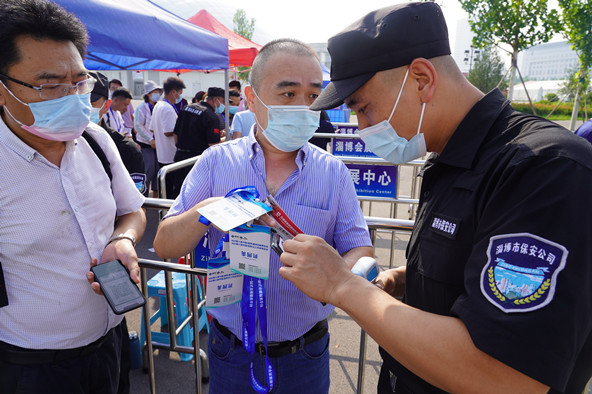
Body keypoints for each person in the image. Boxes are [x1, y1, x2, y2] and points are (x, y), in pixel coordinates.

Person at [278, 3, 592, 393]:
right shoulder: (450, 158)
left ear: (422, 79)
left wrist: (343, 285)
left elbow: (509, 376)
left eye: (363, 107)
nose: (361, 127)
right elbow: (474, 272)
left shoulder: (545, 169)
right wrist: (406, 281)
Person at [153, 38, 373, 393]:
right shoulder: (215, 163)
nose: (303, 107)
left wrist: (337, 278)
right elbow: (164, 244)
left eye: (313, 95)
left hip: (305, 354)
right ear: (252, 99)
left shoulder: (333, 172)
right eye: (288, 94)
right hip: (231, 353)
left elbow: (360, 249)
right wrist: (211, 210)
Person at [0, 1, 146, 394]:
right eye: (50, 85)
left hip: (111, 341)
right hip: (32, 367)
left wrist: (123, 239)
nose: (72, 97)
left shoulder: (97, 140)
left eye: (80, 83)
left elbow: (133, 210)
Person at [90, 71, 146, 195]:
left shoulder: (127, 150)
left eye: (90, 103)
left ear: (106, 106)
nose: (82, 108)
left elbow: (137, 205)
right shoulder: (56, 144)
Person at [171, 86, 225, 194]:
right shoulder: (211, 116)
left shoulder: (186, 108)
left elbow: (175, 134)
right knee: (194, 193)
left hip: (179, 157)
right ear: (215, 100)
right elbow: (213, 144)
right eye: (222, 102)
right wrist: (226, 139)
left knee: (178, 191)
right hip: (196, 160)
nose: (223, 105)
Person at [150, 76, 185, 198]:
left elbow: (152, 128)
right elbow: (168, 131)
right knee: (172, 192)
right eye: (179, 93)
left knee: (165, 190)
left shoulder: (158, 105)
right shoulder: (167, 108)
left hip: (162, 155)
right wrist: (182, 130)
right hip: (170, 155)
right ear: (173, 92)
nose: (180, 97)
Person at [135, 80, 162, 197]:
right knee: (148, 170)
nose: (157, 94)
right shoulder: (142, 107)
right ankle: (143, 197)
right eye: (154, 92)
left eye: (158, 92)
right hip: (146, 144)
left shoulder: (157, 106)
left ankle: (156, 195)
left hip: (157, 144)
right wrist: (150, 139)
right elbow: (138, 125)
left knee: (157, 171)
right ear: (148, 94)